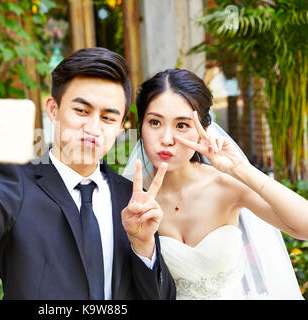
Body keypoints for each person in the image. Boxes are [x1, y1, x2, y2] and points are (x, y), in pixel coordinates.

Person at [0, 47, 176, 300]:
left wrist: (143, 245)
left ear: (119, 126)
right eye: (81, 111)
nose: (93, 128)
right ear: (53, 110)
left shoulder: (130, 198)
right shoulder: (15, 182)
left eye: (107, 118)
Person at [123, 68, 308, 300]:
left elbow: (304, 227)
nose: (167, 139)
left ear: (202, 132)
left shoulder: (227, 186)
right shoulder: (129, 199)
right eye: (155, 122)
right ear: (141, 126)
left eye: (182, 125)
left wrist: (241, 170)